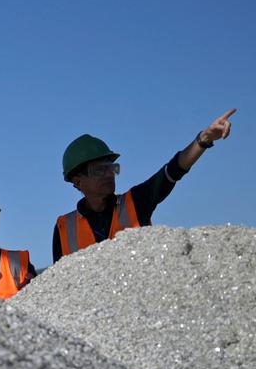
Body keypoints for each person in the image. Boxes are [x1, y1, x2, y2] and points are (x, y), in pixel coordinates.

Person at [53, 109, 236, 262]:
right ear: (78, 182)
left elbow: (173, 170)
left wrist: (203, 139)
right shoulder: (64, 228)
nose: (109, 174)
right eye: (99, 170)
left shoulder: (136, 202)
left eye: (111, 168)